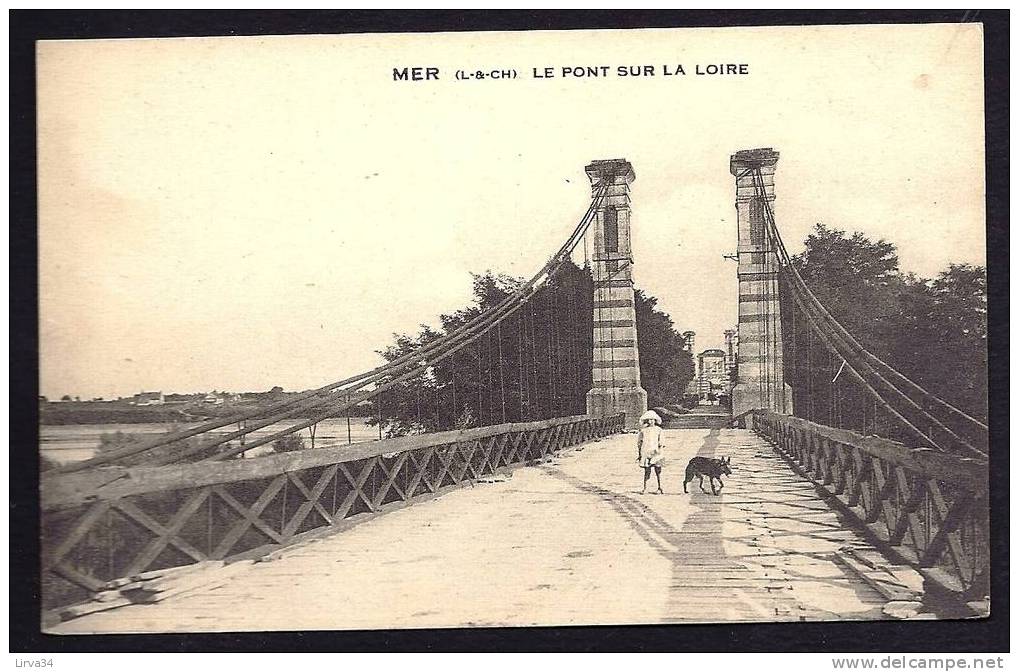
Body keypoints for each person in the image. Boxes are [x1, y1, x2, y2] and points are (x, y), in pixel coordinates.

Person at [636, 410, 665, 494]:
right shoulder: (643, 430)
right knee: (647, 471)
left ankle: (660, 487)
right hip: (646, 452)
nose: (651, 421)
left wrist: (660, 450)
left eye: (652, 419)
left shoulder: (659, 430)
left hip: (656, 452)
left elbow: (662, 442)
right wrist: (639, 453)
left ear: (655, 420)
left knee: (658, 471)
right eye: (649, 420)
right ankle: (645, 488)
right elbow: (639, 442)